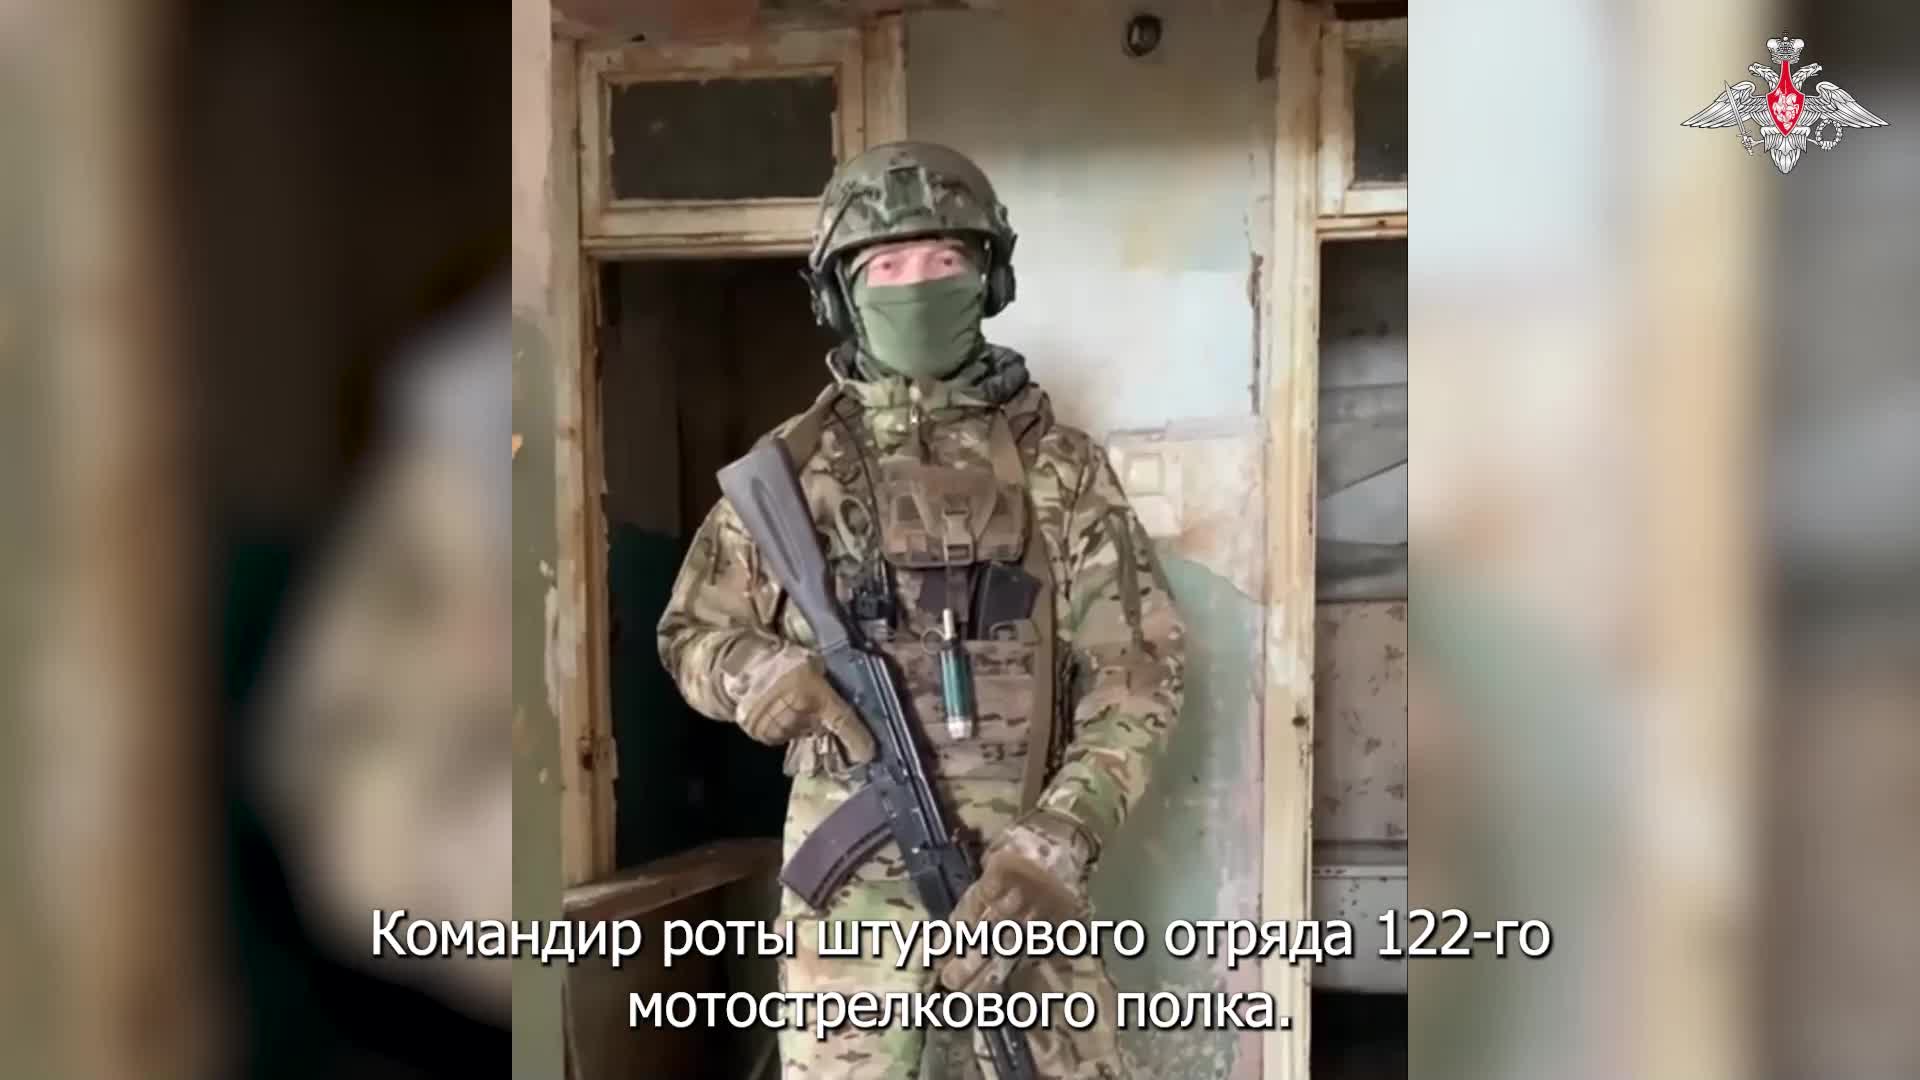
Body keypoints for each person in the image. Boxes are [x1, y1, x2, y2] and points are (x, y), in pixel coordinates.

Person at [658, 142, 1185, 1080]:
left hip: (1019, 891)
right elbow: (689, 634)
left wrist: (1052, 845)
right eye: (887, 266)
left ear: (989, 278)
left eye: (944, 259)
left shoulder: (1063, 471)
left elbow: (1139, 679)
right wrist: (758, 674)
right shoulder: (794, 473)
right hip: (849, 912)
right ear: (841, 296)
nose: (918, 285)